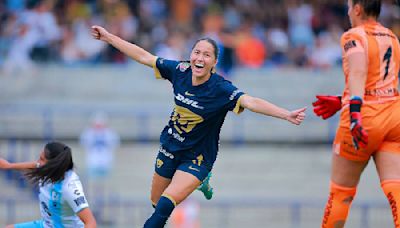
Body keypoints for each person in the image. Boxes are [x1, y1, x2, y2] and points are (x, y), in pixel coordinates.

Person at [91, 25, 306, 228]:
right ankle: (196, 185)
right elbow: (145, 57)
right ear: (190, 54)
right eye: (197, 52)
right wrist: (109, 37)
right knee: (156, 202)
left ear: (214, 62)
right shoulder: (180, 70)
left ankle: (201, 177)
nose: (200, 58)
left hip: (198, 156)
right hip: (170, 146)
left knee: (165, 204)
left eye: (206, 55)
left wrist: (285, 114)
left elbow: (251, 102)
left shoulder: (221, 88)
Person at [312, 0, 400, 227]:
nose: (349, 11)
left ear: (358, 9)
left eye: (350, 6)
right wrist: (343, 100)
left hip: (364, 119)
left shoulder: (354, 35)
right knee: (396, 190)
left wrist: (353, 112)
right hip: (393, 117)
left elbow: (359, 71)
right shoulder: (391, 36)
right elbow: (381, 84)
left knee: (341, 193)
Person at [0, 141, 97, 228]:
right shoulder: (51, 170)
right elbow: (36, 165)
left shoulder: (69, 188)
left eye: (41, 159)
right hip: (46, 225)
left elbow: (91, 222)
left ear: (53, 164)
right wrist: (9, 166)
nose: (38, 162)